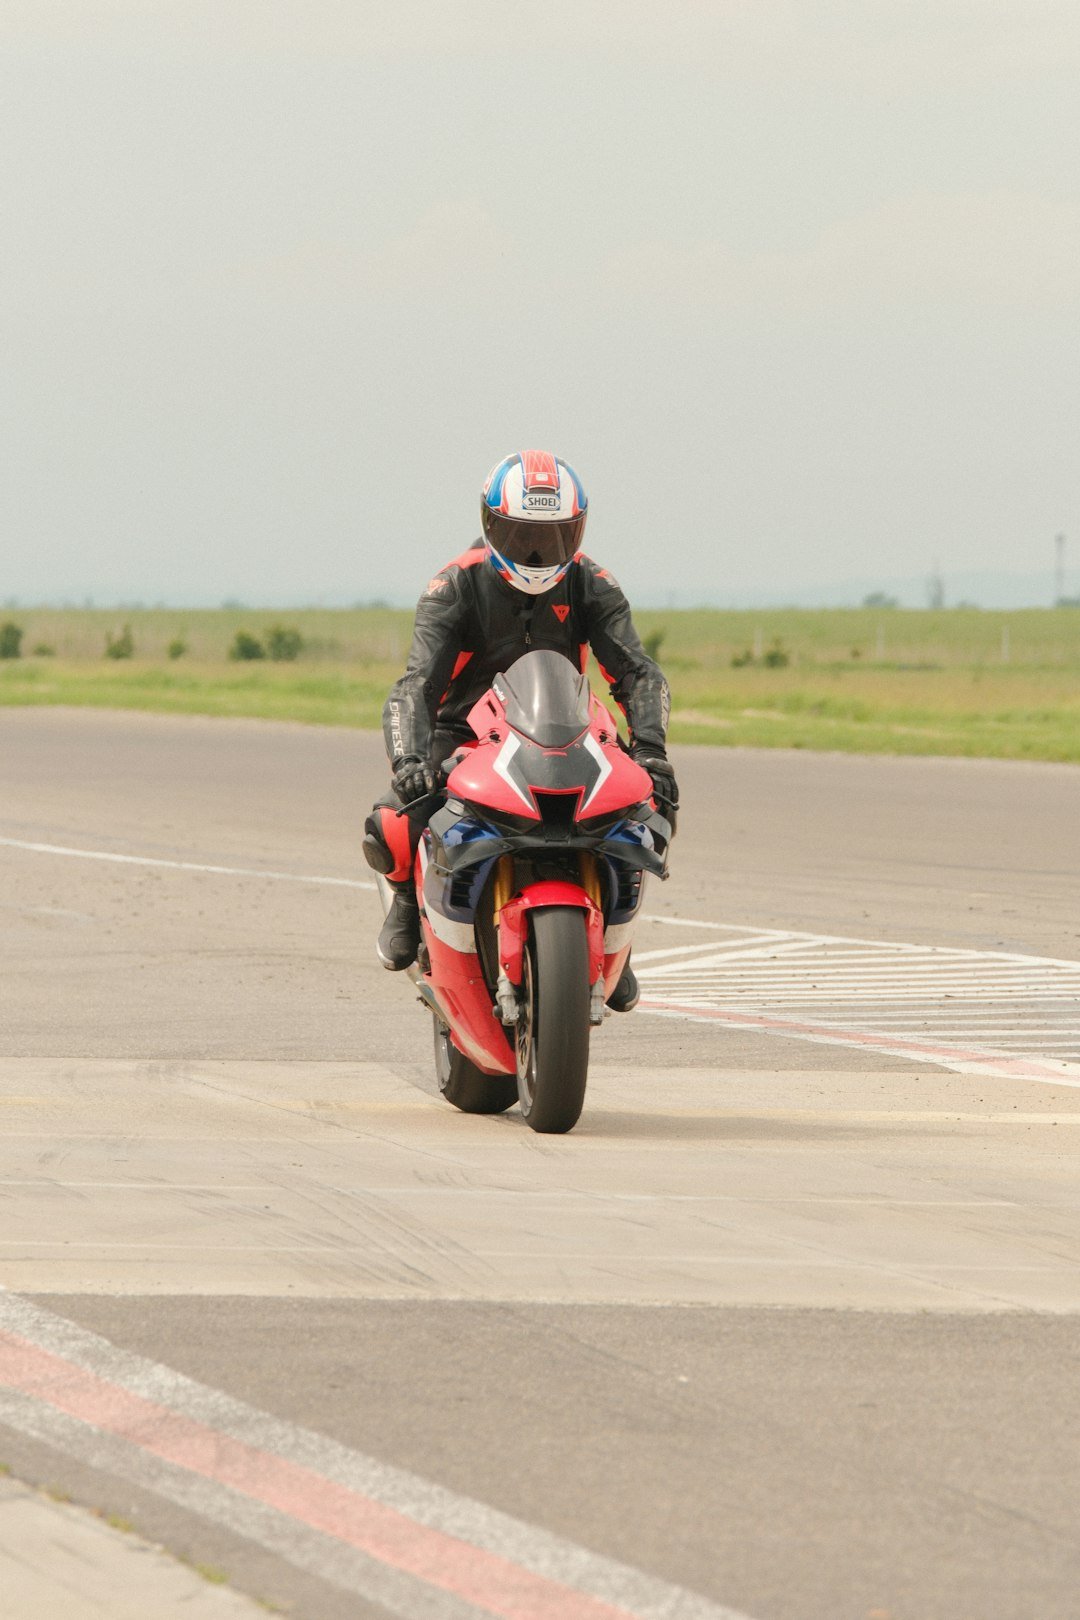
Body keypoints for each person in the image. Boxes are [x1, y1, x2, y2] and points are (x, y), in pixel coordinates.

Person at [362, 449, 677, 1011]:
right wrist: (409, 759)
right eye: (519, 535)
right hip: (463, 732)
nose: (536, 553)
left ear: (577, 531)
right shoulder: (453, 585)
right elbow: (416, 685)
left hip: (568, 725)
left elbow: (636, 673)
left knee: (652, 804)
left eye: (553, 538)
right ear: (489, 524)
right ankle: (408, 907)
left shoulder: (593, 584)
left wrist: (652, 751)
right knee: (394, 819)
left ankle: (616, 940)